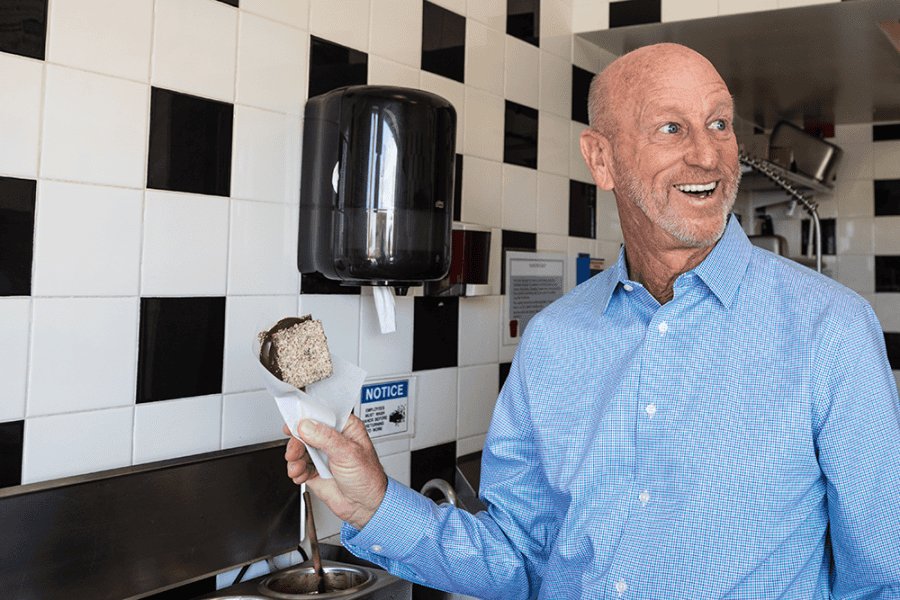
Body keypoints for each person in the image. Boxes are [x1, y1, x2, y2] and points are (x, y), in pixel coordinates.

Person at [284, 43, 900, 598]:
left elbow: (883, 578)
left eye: (719, 123)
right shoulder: (554, 338)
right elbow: (518, 559)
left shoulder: (832, 329)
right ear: (600, 158)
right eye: (671, 127)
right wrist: (376, 506)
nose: (709, 154)